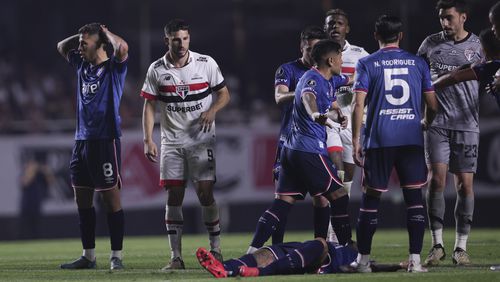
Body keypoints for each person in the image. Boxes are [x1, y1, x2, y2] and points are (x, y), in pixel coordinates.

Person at [350, 15, 438, 273]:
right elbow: (433, 105)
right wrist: (424, 122)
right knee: (414, 200)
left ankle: (363, 262)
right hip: (410, 139)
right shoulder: (417, 63)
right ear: (400, 36)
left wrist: (356, 140)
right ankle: (415, 261)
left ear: (376, 36)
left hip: (379, 139)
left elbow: (358, 104)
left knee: (370, 200)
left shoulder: (366, 63)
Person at [247, 39, 352, 255]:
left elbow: (348, 82)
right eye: (340, 57)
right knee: (339, 195)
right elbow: (307, 96)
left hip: (291, 150)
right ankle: (345, 251)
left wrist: (339, 112)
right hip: (308, 149)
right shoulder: (312, 79)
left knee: (282, 203)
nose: (343, 60)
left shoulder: (330, 78)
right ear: (331, 60)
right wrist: (315, 113)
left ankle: (252, 251)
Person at [141, 19, 230, 270]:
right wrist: (148, 138)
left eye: (185, 39)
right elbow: (148, 105)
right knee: (174, 196)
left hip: (201, 141)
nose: (181, 44)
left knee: (205, 193)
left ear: (189, 39)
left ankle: (216, 250)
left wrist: (212, 110)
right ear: (167, 40)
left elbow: (224, 93)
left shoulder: (206, 63)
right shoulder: (156, 69)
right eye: (176, 39)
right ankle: (176, 257)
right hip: (171, 143)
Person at [56, 23, 128, 270]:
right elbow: (60, 47)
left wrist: (105, 32)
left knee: (111, 200)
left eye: (84, 44)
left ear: (99, 44)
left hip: (105, 141)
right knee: (82, 200)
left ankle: (116, 256)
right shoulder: (81, 66)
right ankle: (88, 256)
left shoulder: (113, 69)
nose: (79, 48)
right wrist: (81, 35)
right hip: (81, 142)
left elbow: (123, 47)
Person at [417, 0, 484, 266]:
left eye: (449, 18)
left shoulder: (477, 46)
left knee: (464, 185)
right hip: (437, 124)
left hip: (467, 124)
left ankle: (460, 247)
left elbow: (488, 74)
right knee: (436, 180)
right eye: (442, 19)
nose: (445, 23)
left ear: (463, 17)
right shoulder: (429, 45)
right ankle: (437, 244)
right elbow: (418, 80)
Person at [260, 26, 331, 249]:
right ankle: (275, 249)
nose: (313, 53)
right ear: (301, 47)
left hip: (316, 142)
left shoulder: (325, 74)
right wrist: (304, 89)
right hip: (289, 142)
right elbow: (280, 97)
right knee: (282, 199)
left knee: (322, 197)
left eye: (317, 48)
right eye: (309, 48)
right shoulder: (288, 70)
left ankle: (321, 246)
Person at [324, 8, 370, 195]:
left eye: (339, 23)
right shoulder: (317, 54)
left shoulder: (361, 55)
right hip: (329, 119)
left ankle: (338, 216)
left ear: (347, 29)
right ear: (325, 28)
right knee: (335, 172)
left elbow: (370, 87)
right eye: (331, 23)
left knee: (347, 178)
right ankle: (330, 221)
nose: (335, 26)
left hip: (352, 120)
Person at [196, 238, 402, 278]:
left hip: (319, 257)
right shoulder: (345, 245)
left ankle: (258, 273)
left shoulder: (358, 257)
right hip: (298, 250)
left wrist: (399, 265)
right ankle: (224, 268)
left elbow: (375, 267)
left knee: (320, 243)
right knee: (266, 253)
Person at [433, 28, 500, 108]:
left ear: (485, 48)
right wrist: (439, 76)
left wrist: (428, 87)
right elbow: (469, 66)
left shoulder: (491, 66)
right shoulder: (488, 64)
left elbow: (454, 77)